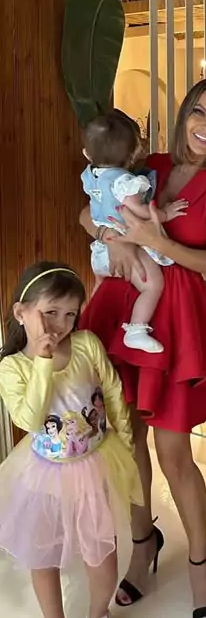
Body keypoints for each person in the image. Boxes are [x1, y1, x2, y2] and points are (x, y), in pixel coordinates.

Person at [79, 78, 206, 618]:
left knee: (174, 452)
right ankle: (143, 543)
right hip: (122, 309)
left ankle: (200, 560)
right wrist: (113, 239)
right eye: (200, 113)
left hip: (172, 319)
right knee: (128, 443)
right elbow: (87, 212)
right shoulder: (147, 164)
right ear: (184, 113)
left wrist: (156, 242)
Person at [0, 262, 142, 618]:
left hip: (95, 464)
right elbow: (30, 419)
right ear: (21, 313)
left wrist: (125, 442)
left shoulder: (86, 344)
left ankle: (98, 612)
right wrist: (43, 361)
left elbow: (112, 391)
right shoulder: (13, 367)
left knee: (102, 552)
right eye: (50, 312)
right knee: (43, 552)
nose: (60, 324)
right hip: (44, 472)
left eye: (70, 314)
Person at [81, 112, 187, 353]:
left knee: (101, 284)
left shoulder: (90, 176)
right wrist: (165, 214)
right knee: (153, 285)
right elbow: (139, 210)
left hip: (99, 253)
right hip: (126, 244)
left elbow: (90, 210)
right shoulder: (124, 181)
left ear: (87, 154)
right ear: (133, 152)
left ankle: (92, 316)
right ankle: (137, 329)